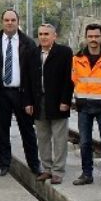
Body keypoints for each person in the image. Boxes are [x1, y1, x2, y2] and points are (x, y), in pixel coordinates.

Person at [0, 10, 41, 177]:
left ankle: (34, 164)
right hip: (2, 94)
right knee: (2, 131)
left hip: (22, 93)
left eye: (12, 20)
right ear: (2, 22)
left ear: (18, 21)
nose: (9, 23)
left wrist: (31, 100)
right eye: (6, 20)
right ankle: (4, 164)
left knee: (27, 131)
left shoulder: (28, 43)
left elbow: (34, 74)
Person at [72, 23, 101, 188]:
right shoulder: (77, 59)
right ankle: (86, 174)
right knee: (84, 142)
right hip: (84, 106)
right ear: (86, 37)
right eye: (90, 36)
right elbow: (74, 80)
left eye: (96, 36)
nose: (93, 39)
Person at [32, 23, 74, 185]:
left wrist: (66, 101)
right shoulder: (33, 53)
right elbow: (29, 79)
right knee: (42, 137)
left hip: (57, 101)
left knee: (59, 138)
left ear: (54, 36)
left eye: (46, 34)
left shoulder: (64, 53)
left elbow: (68, 80)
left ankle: (58, 171)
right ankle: (47, 169)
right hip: (39, 101)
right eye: (41, 34)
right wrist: (29, 102)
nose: (43, 37)